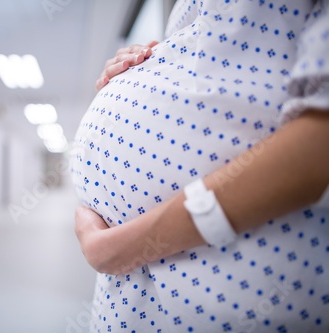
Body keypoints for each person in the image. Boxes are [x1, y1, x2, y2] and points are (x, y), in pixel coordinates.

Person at [70, 0, 329, 332]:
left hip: (236, 288)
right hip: (133, 296)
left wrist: (121, 249)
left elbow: (317, 147)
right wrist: (150, 60)